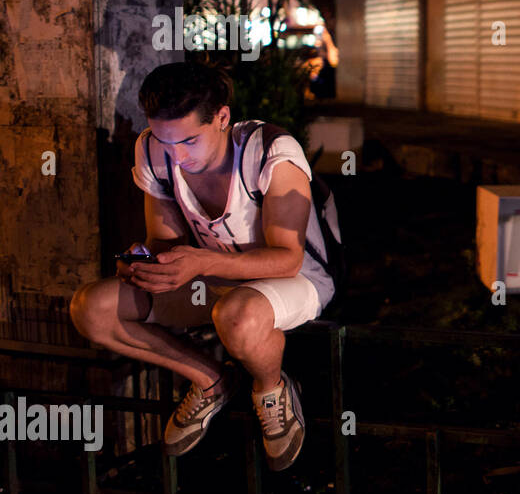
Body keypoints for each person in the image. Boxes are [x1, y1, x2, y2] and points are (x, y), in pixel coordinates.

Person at [69, 61, 334, 472]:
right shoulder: (153, 150)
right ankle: (210, 380)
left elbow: (288, 258)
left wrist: (200, 262)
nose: (177, 155)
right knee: (92, 307)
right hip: (209, 278)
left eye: (189, 140)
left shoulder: (272, 151)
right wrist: (146, 264)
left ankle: (270, 388)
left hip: (295, 279)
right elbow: (165, 241)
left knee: (239, 315)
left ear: (223, 117)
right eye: (165, 140)